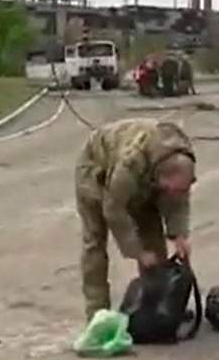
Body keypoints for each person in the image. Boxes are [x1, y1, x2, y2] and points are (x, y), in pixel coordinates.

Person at [74, 118, 196, 321]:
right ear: (161, 178)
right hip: (96, 168)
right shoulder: (130, 164)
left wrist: (179, 234)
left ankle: (159, 306)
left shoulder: (182, 159)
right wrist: (137, 251)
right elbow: (113, 210)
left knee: (154, 242)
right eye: (169, 189)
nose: (174, 193)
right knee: (94, 242)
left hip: (145, 176)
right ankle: (97, 313)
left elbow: (178, 200)